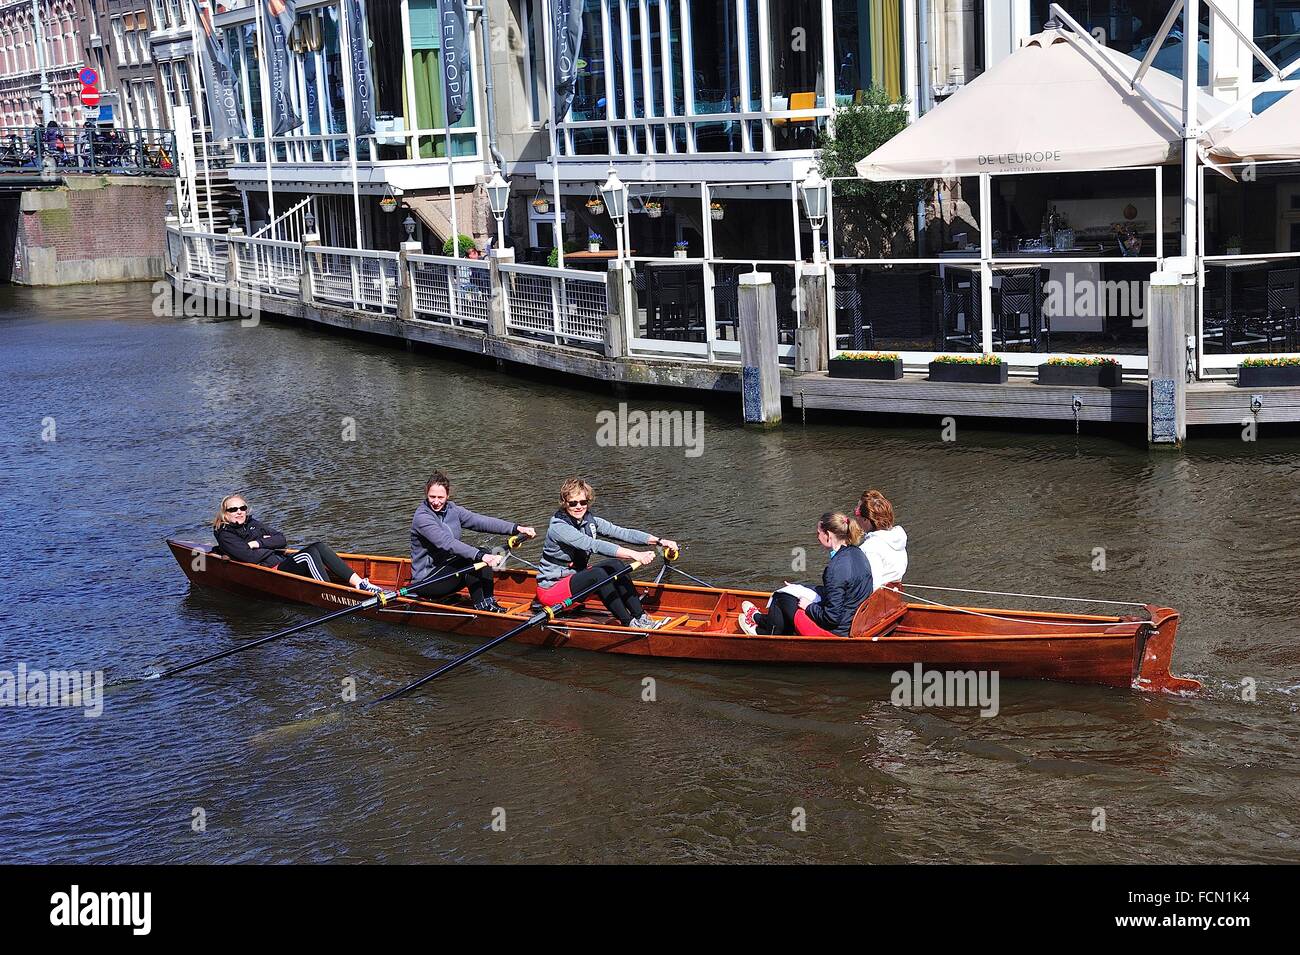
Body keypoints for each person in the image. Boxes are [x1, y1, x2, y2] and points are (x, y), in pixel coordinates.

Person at [535, 478, 678, 630]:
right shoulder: (559, 527)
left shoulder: (589, 521)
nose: (579, 507)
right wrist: (635, 555)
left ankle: (641, 617)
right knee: (599, 575)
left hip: (575, 579)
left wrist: (659, 541)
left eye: (583, 502)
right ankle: (628, 623)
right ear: (564, 503)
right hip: (552, 590)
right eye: (573, 503)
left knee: (615, 565)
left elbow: (622, 533)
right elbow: (593, 545)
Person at [409, 470, 535, 613]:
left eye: (440, 497)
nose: (436, 502)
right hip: (426, 581)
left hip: (447, 573)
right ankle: (482, 610)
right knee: (475, 558)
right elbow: (446, 542)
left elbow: (481, 521)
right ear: (426, 494)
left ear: (447, 496)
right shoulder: (422, 517)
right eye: (432, 497)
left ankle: (489, 602)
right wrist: (481, 556)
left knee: (483, 552)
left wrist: (516, 528)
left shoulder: (453, 510)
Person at [738, 512, 872, 637]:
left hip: (836, 632)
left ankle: (763, 633)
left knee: (781, 597)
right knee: (790, 593)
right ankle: (761, 619)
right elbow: (842, 590)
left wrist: (808, 606)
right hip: (854, 621)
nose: (817, 537)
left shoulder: (835, 568)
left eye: (818, 533)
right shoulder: (857, 553)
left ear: (828, 535)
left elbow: (831, 618)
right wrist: (801, 587)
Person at [212, 493, 380, 591]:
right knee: (309, 554)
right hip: (271, 571)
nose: (240, 512)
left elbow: (281, 539)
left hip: (281, 562)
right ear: (225, 514)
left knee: (318, 546)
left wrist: (258, 543)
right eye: (234, 509)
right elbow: (249, 557)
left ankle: (360, 584)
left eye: (243, 508)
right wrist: (269, 545)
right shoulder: (225, 533)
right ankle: (331, 593)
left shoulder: (252, 523)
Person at [853, 489, 908, 590]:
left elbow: (873, 585)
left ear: (866, 519)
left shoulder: (870, 548)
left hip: (878, 602)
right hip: (894, 597)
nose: (855, 517)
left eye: (857, 512)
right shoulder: (897, 537)